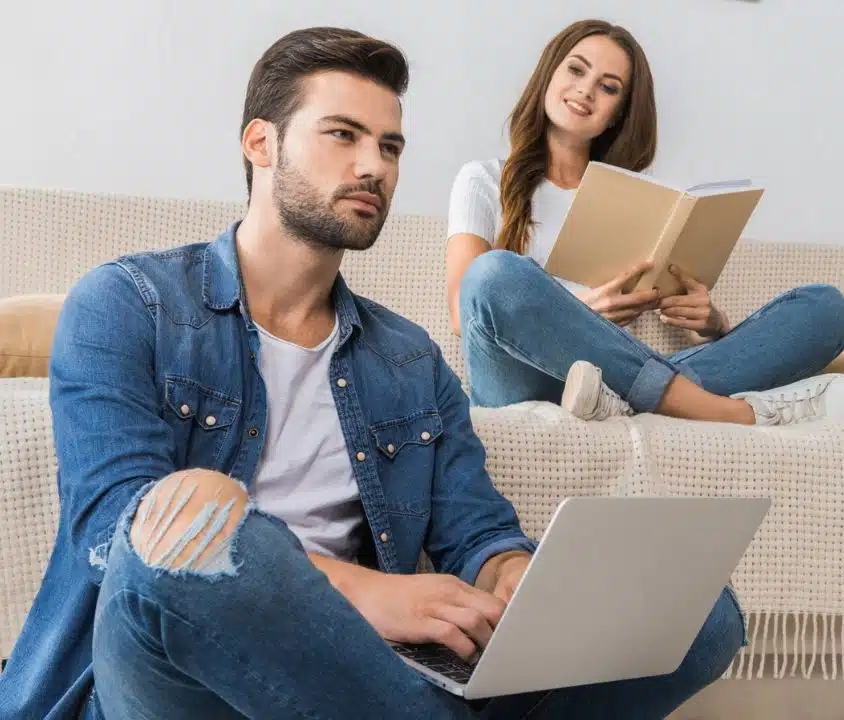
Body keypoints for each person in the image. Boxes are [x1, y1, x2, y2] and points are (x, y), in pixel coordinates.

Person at [0, 27, 745, 720]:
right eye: (343, 136)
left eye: (390, 147)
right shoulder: (128, 304)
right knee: (199, 516)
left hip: (358, 678)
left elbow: (474, 528)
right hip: (174, 679)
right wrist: (364, 593)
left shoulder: (407, 358)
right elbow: (118, 536)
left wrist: (512, 576)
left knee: (700, 612)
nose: (373, 166)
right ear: (261, 142)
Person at [447, 19, 844, 425]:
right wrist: (582, 312)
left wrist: (712, 322)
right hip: (520, 380)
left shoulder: (633, 199)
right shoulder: (482, 179)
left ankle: (622, 402)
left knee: (825, 308)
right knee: (493, 274)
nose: (586, 90)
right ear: (548, 75)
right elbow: (463, 312)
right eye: (576, 69)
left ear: (617, 113)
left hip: (619, 377)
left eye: (608, 87)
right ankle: (723, 411)